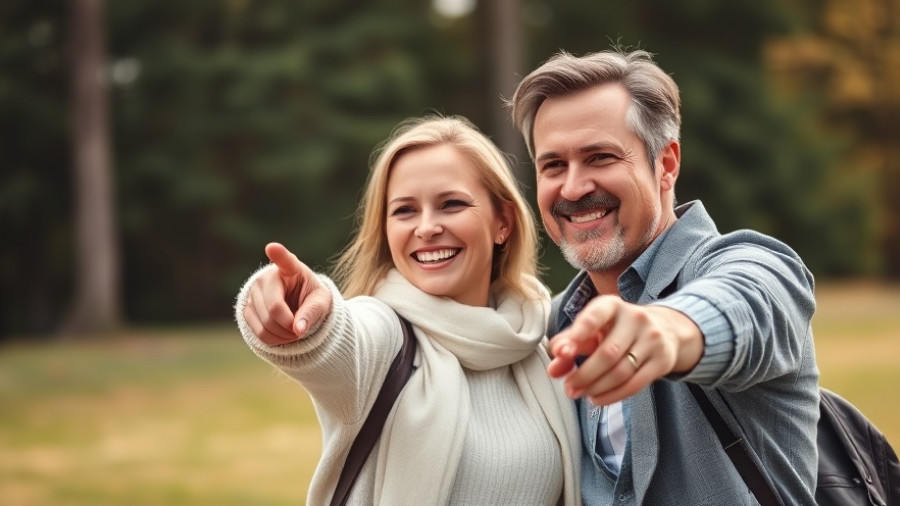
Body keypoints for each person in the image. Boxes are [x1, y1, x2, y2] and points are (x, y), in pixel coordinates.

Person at [508, 48, 820, 505]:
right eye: (553, 165)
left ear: (667, 164)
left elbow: (747, 304)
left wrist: (666, 331)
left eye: (600, 157)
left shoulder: (746, 264)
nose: (573, 187)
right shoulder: (550, 328)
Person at [234, 116, 581, 505]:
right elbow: (341, 339)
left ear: (503, 221)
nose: (427, 227)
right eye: (404, 211)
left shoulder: (541, 338)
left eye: (450, 204)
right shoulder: (386, 335)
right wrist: (297, 307)